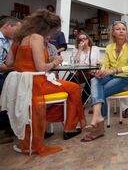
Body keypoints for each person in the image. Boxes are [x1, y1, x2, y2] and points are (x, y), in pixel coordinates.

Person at [6, 9, 85, 155]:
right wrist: (55, 61)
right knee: (74, 88)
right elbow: (41, 68)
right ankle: (69, 127)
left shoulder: (19, 38)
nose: (51, 35)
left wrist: (29, 65)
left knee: (68, 87)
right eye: (52, 31)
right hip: (36, 83)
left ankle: (52, 124)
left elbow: (9, 62)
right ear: (47, 27)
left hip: (22, 84)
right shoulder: (36, 38)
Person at [81, 21, 128, 142]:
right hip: (111, 76)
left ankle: (98, 125)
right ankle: (98, 117)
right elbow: (105, 65)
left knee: (99, 90)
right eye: (118, 29)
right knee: (95, 80)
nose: (121, 31)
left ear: (126, 32)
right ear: (113, 33)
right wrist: (101, 72)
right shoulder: (109, 47)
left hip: (126, 79)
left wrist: (113, 71)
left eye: (123, 29)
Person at [0, 16, 21, 145]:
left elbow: (8, 63)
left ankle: (8, 126)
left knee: (16, 89)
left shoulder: (8, 41)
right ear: (8, 25)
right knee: (10, 94)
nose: (17, 33)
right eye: (16, 30)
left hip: (4, 73)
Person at [70, 32, 100, 102]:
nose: (83, 41)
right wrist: (80, 50)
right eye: (80, 40)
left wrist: (96, 70)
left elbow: (98, 62)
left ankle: (81, 102)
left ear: (88, 39)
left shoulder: (95, 49)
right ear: (78, 42)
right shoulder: (76, 49)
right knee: (70, 81)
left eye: (84, 38)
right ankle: (70, 101)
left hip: (91, 73)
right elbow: (74, 62)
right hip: (79, 73)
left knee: (92, 81)